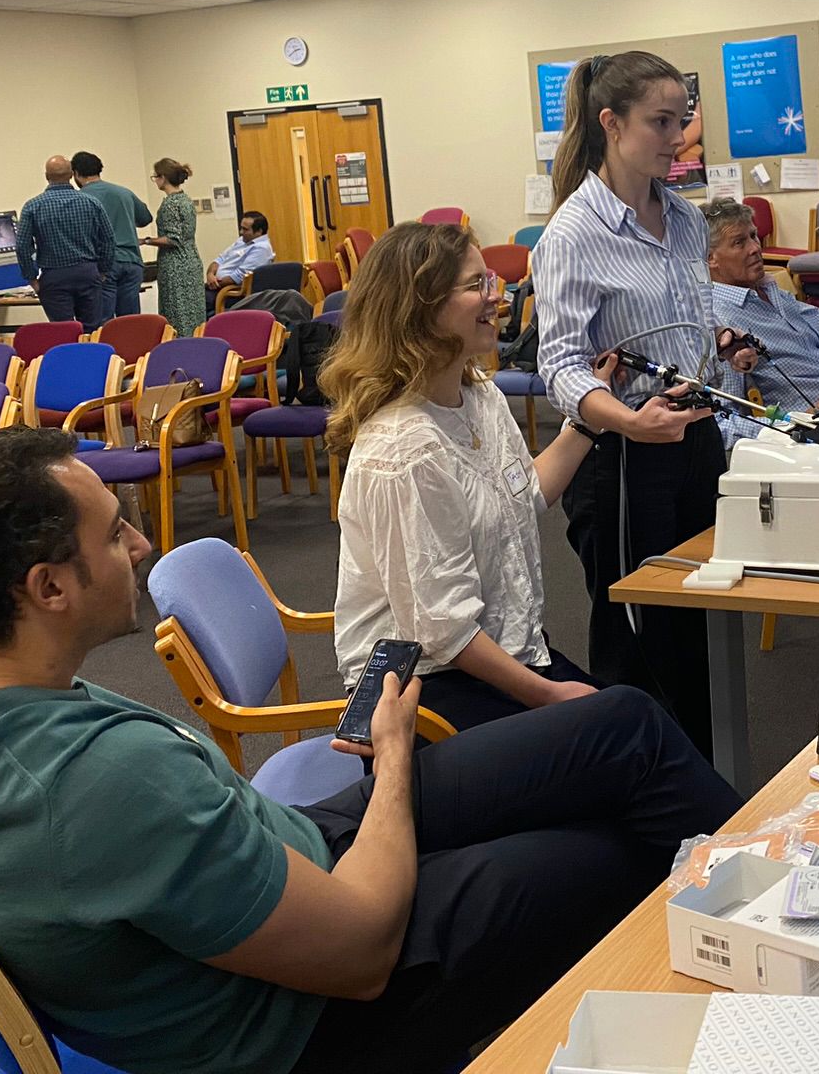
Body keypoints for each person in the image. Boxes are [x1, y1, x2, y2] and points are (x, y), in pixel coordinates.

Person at [0, 426, 738, 1074]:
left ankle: (764, 912)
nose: (140, 546)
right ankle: (763, 988)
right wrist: (392, 760)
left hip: (272, 856)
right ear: (49, 589)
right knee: (622, 853)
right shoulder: (97, 780)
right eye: (113, 536)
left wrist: (13, 952)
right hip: (306, 1014)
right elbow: (361, 953)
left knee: (620, 726)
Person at [533, 51, 756, 757]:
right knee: (638, 640)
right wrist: (628, 419)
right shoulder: (574, 233)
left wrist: (717, 344)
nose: (678, 137)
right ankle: (638, 785)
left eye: (681, 121)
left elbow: (682, 323)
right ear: (611, 123)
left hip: (694, 441)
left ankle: (706, 779)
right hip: (621, 458)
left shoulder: (685, 219)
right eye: (661, 122)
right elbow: (560, 365)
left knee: (700, 620)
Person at [323, 224, 602, 731]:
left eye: (490, 280)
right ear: (419, 308)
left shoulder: (480, 399)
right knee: (627, 727)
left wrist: (589, 419)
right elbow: (444, 631)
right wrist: (549, 695)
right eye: (477, 285)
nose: (497, 297)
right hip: (417, 695)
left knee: (634, 722)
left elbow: (522, 495)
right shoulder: (406, 447)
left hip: (491, 660)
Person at [701, 198, 819, 427]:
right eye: (739, 242)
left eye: (753, 236)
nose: (755, 248)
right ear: (710, 258)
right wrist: (794, 424)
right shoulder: (720, 326)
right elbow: (724, 420)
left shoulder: (774, 293)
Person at [15, 155, 111, 330]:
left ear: (46, 176)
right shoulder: (91, 202)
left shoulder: (32, 206)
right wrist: (103, 271)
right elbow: (107, 240)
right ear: (72, 174)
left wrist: (32, 278)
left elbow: (22, 246)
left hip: (54, 277)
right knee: (92, 330)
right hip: (87, 272)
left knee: (63, 331)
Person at [70, 151, 153, 323]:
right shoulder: (124, 193)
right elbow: (145, 218)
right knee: (130, 322)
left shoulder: (80, 199)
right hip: (132, 262)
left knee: (104, 322)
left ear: (76, 173)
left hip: (103, 265)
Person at [147, 158, 207, 337]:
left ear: (163, 178)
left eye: (155, 177)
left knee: (177, 314)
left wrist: (146, 241)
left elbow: (173, 239)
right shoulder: (186, 200)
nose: (155, 181)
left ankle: (180, 347)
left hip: (175, 265)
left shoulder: (170, 204)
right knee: (194, 314)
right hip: (191, 261)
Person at [207, 210, 274, 318]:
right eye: (241, 228)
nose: (241, 232)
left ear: (259, 231)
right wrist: (210, 274)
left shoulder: (262, 248)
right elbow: (219, 259)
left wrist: (213, 284)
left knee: (195, 301)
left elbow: (238, 277)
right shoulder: (241, 241)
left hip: (231, 292)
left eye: (245, 229)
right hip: (216, 286)